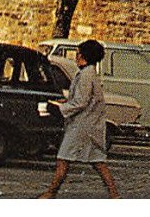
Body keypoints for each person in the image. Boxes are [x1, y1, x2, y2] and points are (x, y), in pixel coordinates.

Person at [40, 38, 120, 199]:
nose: (76, 57)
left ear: (83, 56)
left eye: (78, 54)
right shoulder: (88, 74)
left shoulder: (86, 76)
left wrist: (60, 109)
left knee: (63, 158)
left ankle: (51, 193)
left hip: (81, 126)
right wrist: (66, 102)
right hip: (90, 125)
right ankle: (114, 195)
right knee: (98, 161)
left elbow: (81, 102)